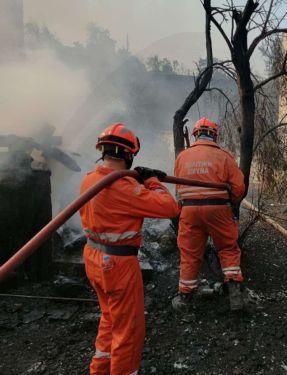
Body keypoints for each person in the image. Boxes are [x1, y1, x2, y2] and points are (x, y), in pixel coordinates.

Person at [79, 123, 179, 375]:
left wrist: (141, 184)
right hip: (117, 264)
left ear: (103, 151)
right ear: (128, 155)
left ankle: (99, 370)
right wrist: (153, 181)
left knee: (110, 320)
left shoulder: (89, 179)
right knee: (128, 330)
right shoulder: (121, 186)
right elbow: (169, 207)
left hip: (93, 257)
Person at [173, 117, 245, 311]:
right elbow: (239, 188)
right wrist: (230, 201)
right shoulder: (224, 156)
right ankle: (235, 296)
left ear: (195, 135)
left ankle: (185, 298)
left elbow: (178, 189)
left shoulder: (182, 157)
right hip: (218, 208)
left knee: (189, 253)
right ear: (214, 135)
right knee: (227, 248)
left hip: (189, 210)